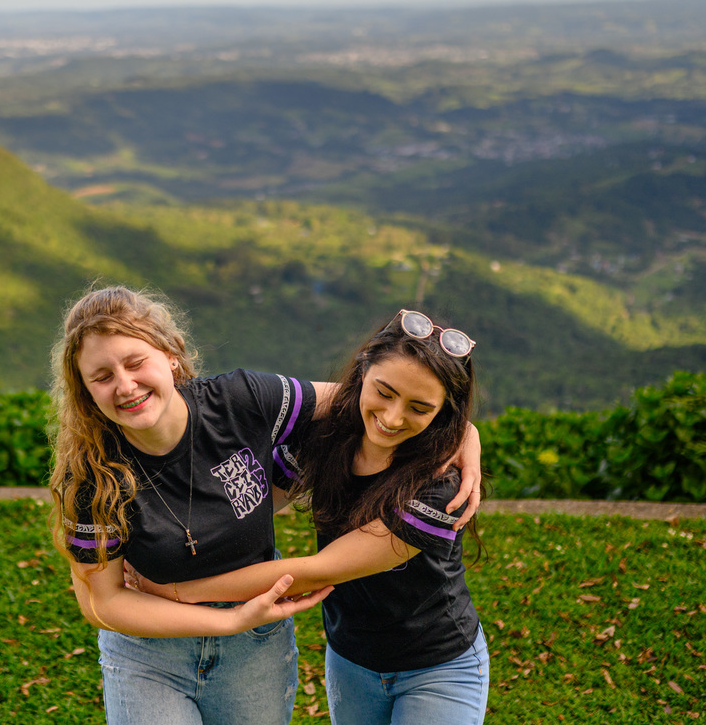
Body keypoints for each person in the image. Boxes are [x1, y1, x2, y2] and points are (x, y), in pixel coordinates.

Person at [48, 286, 482, 725]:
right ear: (84, 390)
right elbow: (100, 603)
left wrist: (463, 432)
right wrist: (226, 619)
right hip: (152, 652)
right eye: (101, 376)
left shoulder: (241, 401)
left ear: (170, 356)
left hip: (265, 649)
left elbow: (362, 404)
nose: (125, 385)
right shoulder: (91, 476)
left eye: (136, 362)